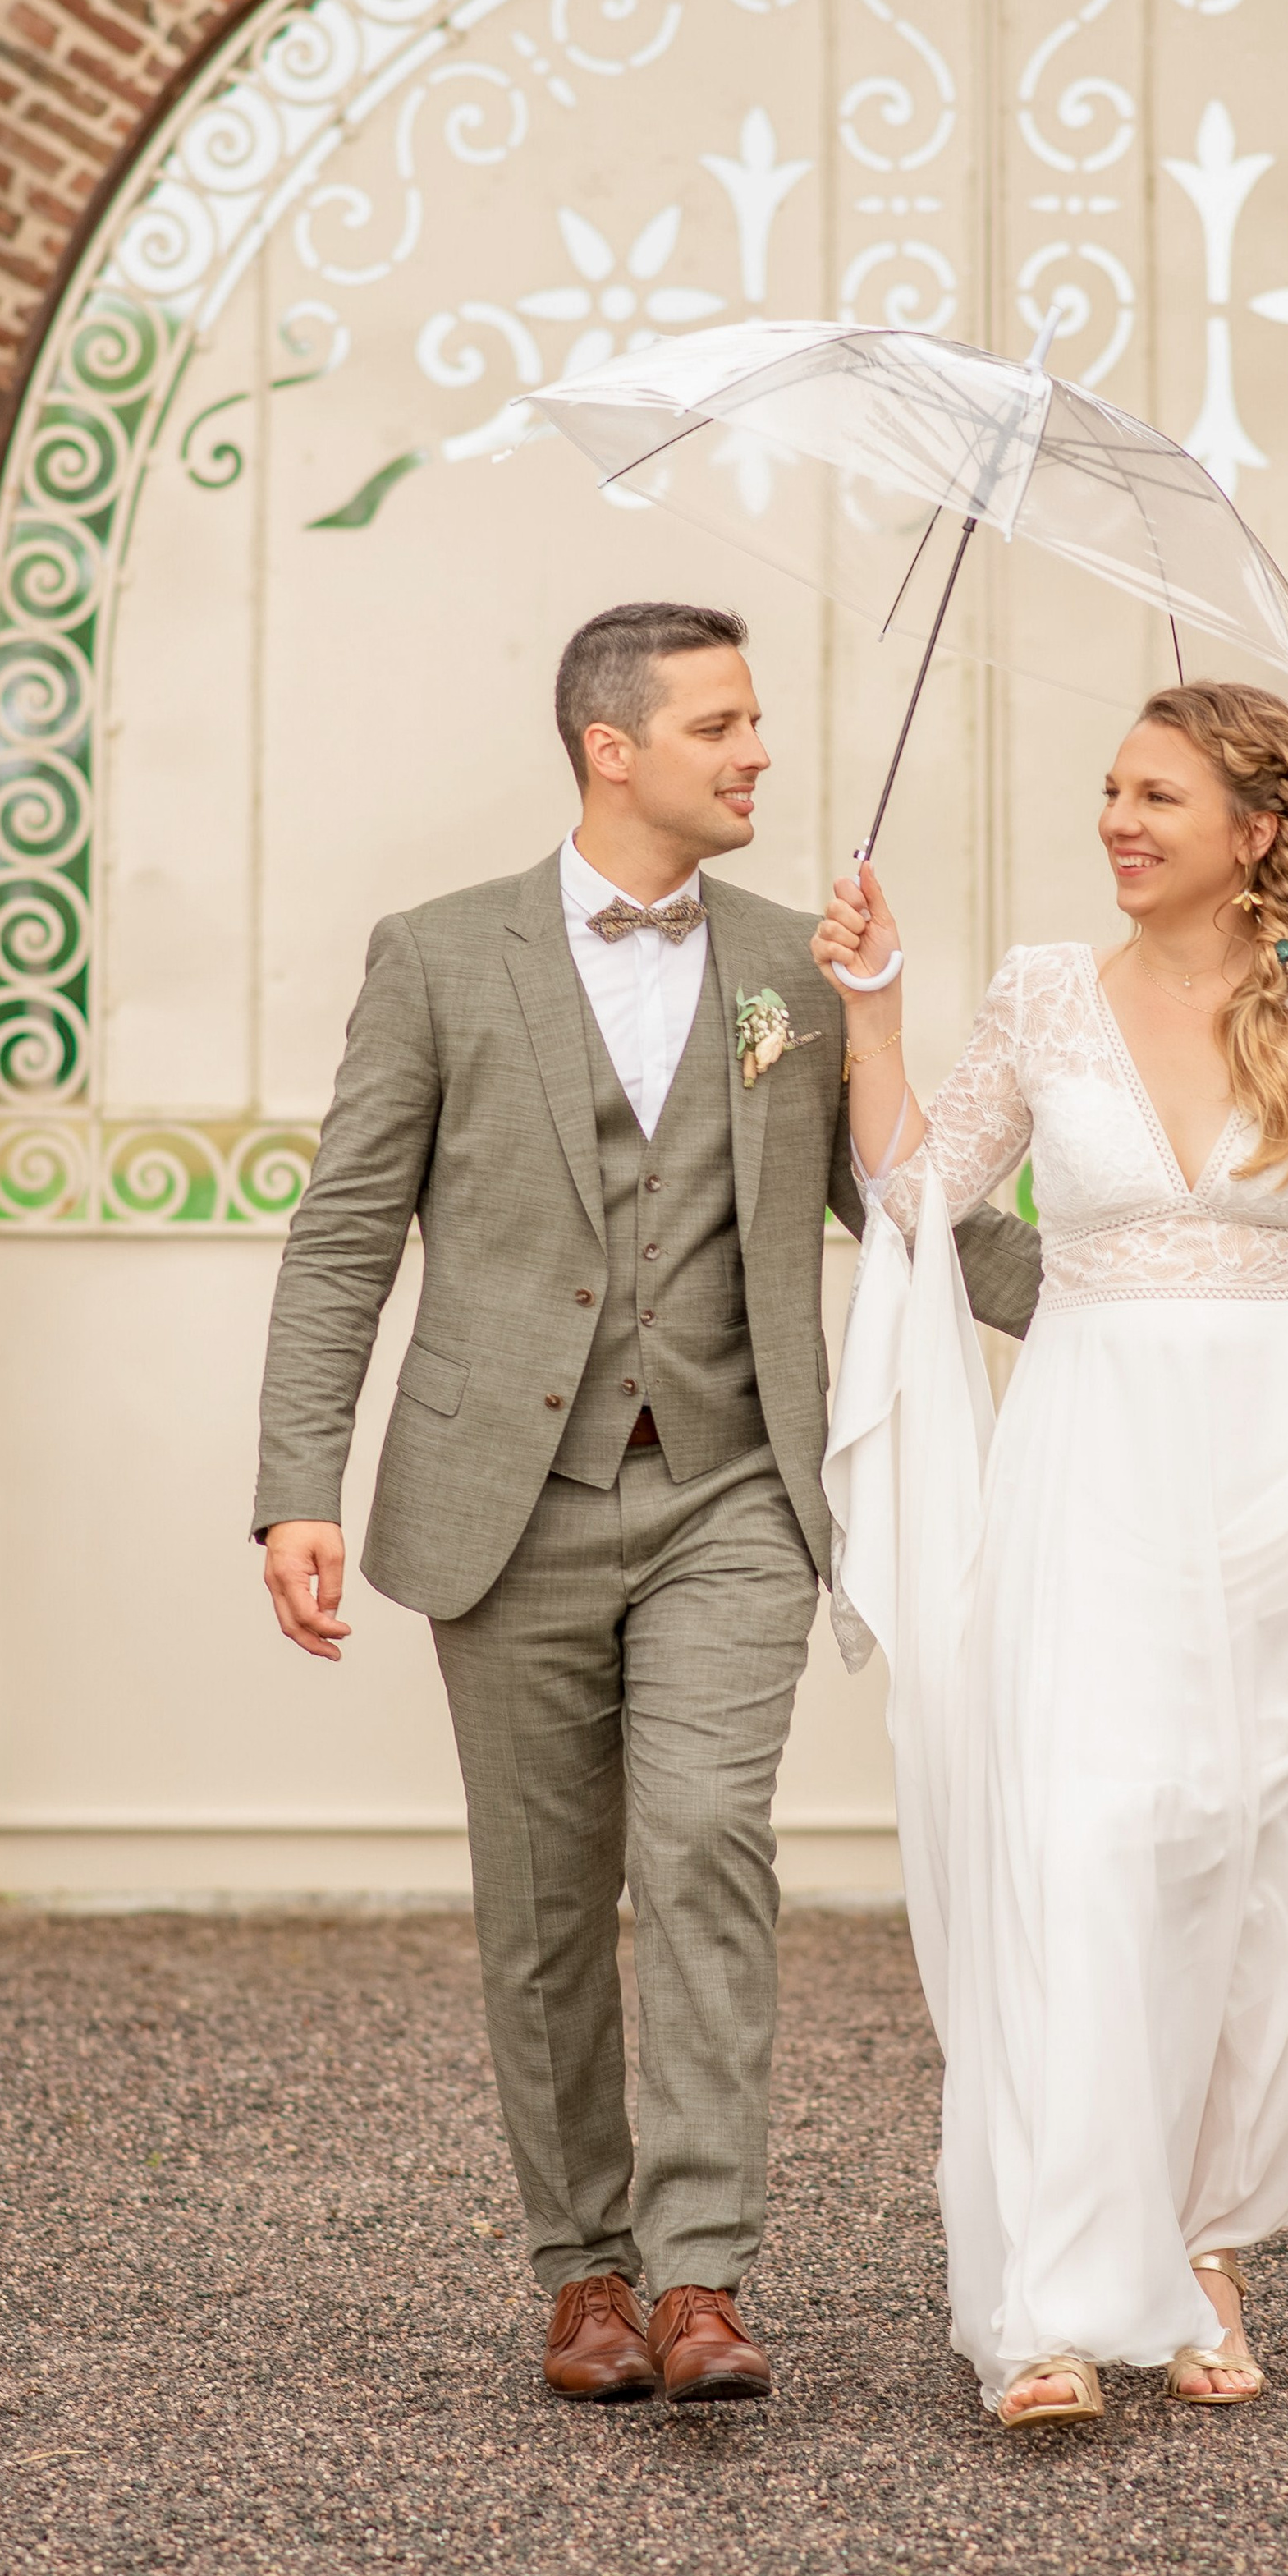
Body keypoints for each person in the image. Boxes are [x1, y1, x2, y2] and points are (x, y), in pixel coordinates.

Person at [253, 602, 1042, 2407]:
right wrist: (297, 1482)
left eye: (756, 721)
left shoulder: (789, 965)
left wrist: (1147, 1300)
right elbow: (343, 1235)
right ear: (612, 748)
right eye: (721, 724)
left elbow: (908, 1211)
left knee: (702, 1843)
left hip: (732, 1487)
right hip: (502, 1495)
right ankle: (583, 2272)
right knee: (544, 1902)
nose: (758, 750)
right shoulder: (438, 955)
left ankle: (700, 2274)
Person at [815, 678, 1288, 2428]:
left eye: (1158, 796)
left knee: (1261, 1854)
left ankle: (1206, 2241)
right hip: (1094, 1468)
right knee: (1086, 1840)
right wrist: (872, 1014)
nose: (1118, 822)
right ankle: (1053, 2298)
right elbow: (915, 1196)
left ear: (1255, 830)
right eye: (1112, 790)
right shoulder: (1043, 993)